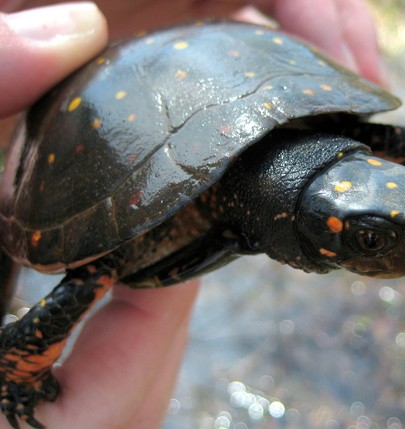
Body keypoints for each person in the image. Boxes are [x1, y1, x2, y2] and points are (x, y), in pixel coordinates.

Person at [0, 1, 385, 427]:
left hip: (216, 57)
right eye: (369, 240)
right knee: (90, 275)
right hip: (76, 99)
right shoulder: (153, 219)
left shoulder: (334, 137)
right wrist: (18, 372)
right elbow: (77, 284)